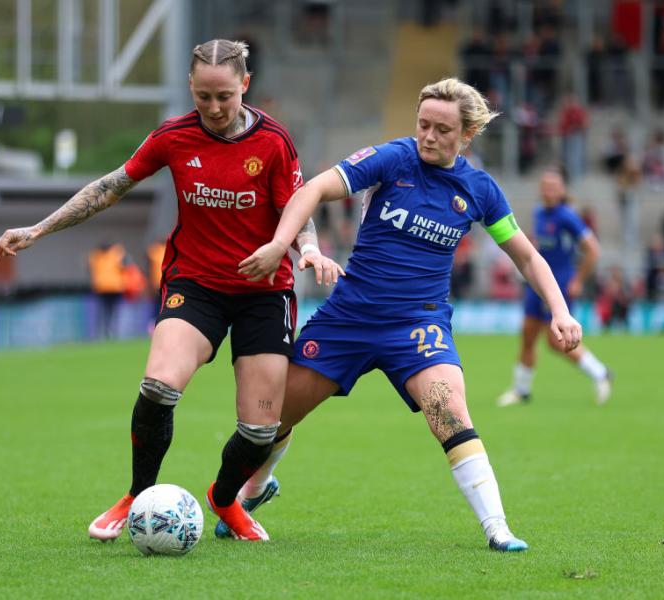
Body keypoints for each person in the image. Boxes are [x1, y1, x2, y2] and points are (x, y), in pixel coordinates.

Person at [0, 39, 342, 542]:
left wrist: (305, 248)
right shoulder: (173, 136)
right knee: (158, 386)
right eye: (203, 96)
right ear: (190, 88)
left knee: (261, 428)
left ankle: (224, 499)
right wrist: (39, 229)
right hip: (195, 283)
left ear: (245, 85)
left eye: (225, 95)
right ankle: (137, 494)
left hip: (265, 291)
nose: (215, 108)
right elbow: (109, 187)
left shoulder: (274, 142)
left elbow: (298, 208)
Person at [235, 77, 583, 551]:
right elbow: (313, 188)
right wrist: (284, 245)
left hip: (419, 325)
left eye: (442, 129)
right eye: (423, 125)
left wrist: (560, 310)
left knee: (449, 412)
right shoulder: (392, 159)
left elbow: (527, 257)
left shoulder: (479, 189)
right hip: (351, 317)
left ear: (467, 135)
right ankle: (254, 490)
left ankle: (498, 528)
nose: (429, 136)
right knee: (273, 416)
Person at [497, 168, 612, 407]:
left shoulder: (566, 216)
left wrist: (578, 279)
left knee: (555, 341)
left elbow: (592, 249)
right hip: (536, 282)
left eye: (553, 187)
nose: (549, 191)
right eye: (545, 186)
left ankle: (600, 373)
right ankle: (521, 390)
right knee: (528, 335)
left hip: (558, 285)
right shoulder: (539, 213)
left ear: (562, 190)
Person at [88, 241, 126, 339]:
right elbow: (126, 266)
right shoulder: (117, 254)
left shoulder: (95, 256)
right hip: (113, 287)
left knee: (104, 311)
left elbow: (89, 270)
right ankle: (110, 332)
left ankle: (104, 332)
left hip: (103, 288)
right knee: (111, 311)